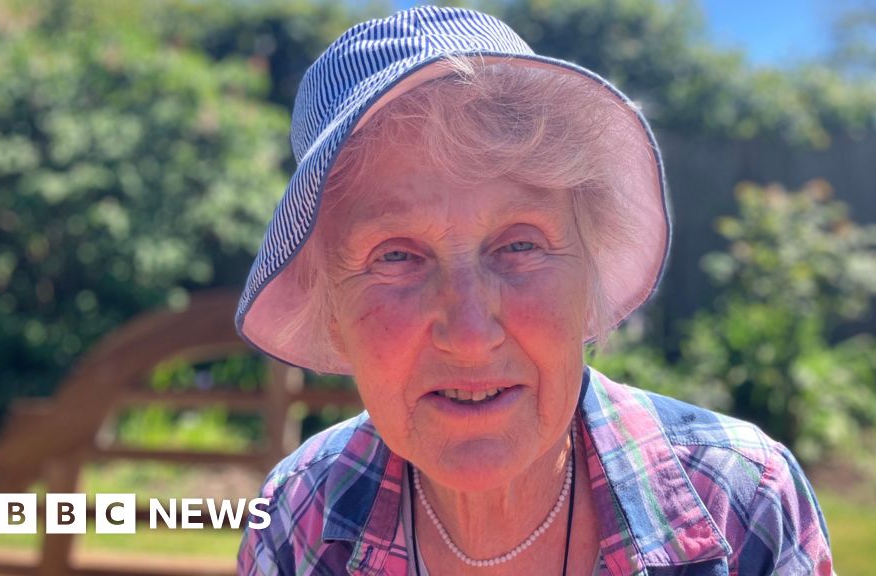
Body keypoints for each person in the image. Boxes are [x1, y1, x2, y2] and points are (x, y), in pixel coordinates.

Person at [235, 6, 833, 575]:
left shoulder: (743, 504)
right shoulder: (297, 518)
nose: (470, 335)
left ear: (589, 270)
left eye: (519, 245)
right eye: (396, 256)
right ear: (332, 308)